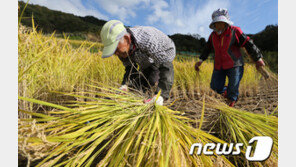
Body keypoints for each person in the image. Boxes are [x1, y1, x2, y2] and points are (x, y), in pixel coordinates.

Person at [194, 8, 265, 107]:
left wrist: (258, 59)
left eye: (221, 22)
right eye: (217, 23)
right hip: (219, 66)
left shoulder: (235, 31)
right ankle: (227, 91)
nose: (219, 25)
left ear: (226, 22)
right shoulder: (213, 36)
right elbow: (207, 49)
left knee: (233, 90)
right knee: (215, 88)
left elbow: (248, 44)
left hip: (235, 65)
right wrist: (200, 61)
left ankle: (230, 106)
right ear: (214, 24)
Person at [100, 20, 176, 105]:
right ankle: (136, 99)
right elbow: (131, 68)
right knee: (135, 85)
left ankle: (154, 100)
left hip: (165, 52)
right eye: (113, 52)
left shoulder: (148, 38)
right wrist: (125, 86)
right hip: (143, 57)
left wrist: (161, 95)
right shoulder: (122, 50)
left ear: (127, 39)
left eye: (116, 50)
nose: (116, 54)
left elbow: (165, 66)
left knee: (151, 79)